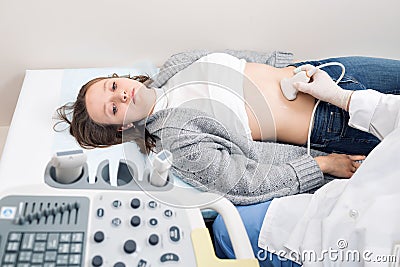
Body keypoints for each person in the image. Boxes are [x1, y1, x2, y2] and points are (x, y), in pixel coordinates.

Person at [56, 50, 399, 205]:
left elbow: (250, 59)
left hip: (333, 73)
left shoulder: (178, 63)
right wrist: (322, 165)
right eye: (113, 108)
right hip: (334, 123)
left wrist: (293, 66)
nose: (121, 94)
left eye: (112, 86)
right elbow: (243, 181)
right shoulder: (174, 140)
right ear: (122, 128)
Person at [213, 64, 400, 266]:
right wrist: (340, 96)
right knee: (225, 230)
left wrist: (321, 165)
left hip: (342, 255)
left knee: (227, 231)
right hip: (333, 202)